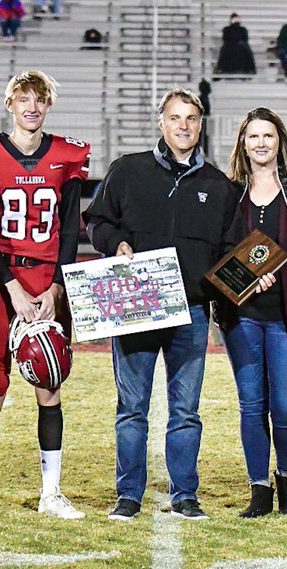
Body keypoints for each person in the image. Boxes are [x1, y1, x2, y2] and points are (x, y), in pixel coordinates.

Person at [84, 88, 240, 521]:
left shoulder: (218, 185)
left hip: (190, 310)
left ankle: (185, 493)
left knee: (186, 411)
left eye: (191, 118)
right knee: (131, 407)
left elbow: (230, 250)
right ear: (161, 122)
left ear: (201, 123)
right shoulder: (127, 170)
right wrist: (114, 244)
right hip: (136, 304)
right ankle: (128, 494)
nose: (183, 126)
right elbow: (96, 220)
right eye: (175, 118)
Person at [0, 71, 90, 522]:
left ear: (48, 105)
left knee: (50, 385)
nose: (31, 108)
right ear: (10, 103)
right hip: (0, 283)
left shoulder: (66, 155)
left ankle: (51, 493)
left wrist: (56, 286)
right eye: (23, 99)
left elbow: (71, 227)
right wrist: (10, 285)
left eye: (39, 100)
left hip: (48, 283)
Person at [217, 108, 287, 518]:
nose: (260, 143)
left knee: (285, 405)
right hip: (241, 314)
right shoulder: (229, 191)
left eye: (268, 135)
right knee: (251, 404)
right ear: (242, 143)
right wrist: (242, 280)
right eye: (253, 137)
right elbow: (217, 250)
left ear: (280, 140)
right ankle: (258, 490)